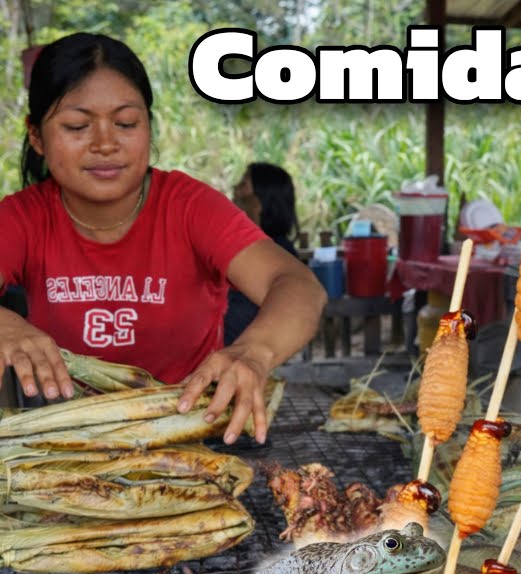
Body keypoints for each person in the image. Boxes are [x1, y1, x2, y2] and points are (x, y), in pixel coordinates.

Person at [0, 33, 327, 444]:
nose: (106, 144)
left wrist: (254, 352)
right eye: (77, 126)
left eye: (126, 124)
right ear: (36, 136)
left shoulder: (190, 207)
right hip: (74, 446)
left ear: (149, 128)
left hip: (193, 438)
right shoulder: (23, 218)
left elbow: (297, 285)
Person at [225, 162, 302, 345]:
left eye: (244, 184)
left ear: (258, 202)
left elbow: (240, 318)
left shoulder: (272, 255)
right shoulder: (249, 247)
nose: (235, 189)